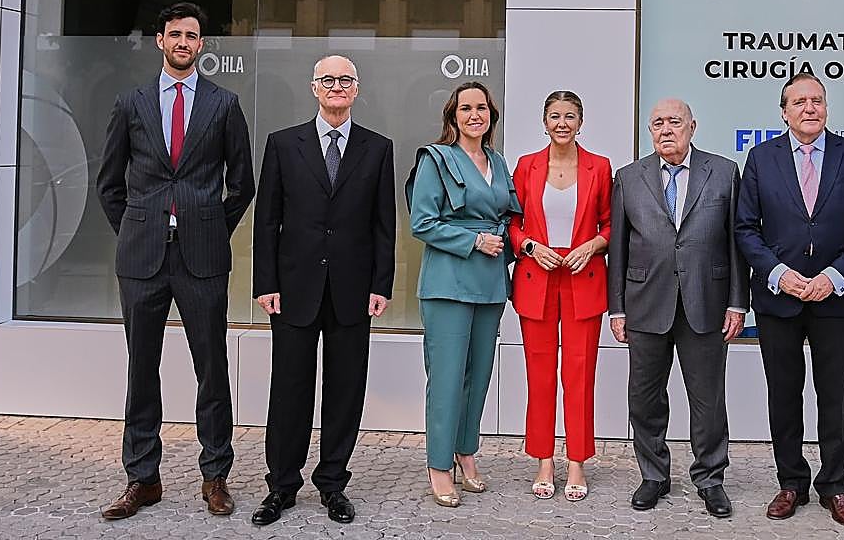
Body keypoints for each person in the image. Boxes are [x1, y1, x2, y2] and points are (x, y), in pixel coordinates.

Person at [96, 2, 255, 520]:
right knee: (142, 368)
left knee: (211, 367)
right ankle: (143, 479)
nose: (183, 42)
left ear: (201, 45)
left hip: (201, 256)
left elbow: (242, 183)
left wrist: (208, 226)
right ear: (160, 41)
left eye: (192, 36)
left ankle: (215, 477)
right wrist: (139, 228)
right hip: (141, 256)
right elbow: (109, 183)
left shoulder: (224, 104)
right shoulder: (131, 103)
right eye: (175, 35)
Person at [250, 55, 395, 526]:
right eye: (328, 80)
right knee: (289, 388)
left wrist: (381, 284)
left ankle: (333, 483)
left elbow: (383, 226)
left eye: (345, 80)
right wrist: (265, 283)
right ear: (314, 87)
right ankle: (281, 486)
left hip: (353, 290)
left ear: (356, 89)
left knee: (345, 389)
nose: (337, 87)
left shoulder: (377, 148)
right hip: (293, 288)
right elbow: (267, 220)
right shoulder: (282, 144)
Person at [735, 73, 844, 528]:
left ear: (827, 108)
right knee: (783, 393)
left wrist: (833, 277)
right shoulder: (761, 159)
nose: (809, 108)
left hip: (834, 299)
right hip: (779, 298)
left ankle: (835, 486)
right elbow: (745, 228)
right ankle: (791, 482)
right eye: (799, 101)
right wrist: (780, 275)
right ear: (784, 112)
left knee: (834, 396)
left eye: (817, 100)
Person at [607, 98, 747, 518]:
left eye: (675, 122)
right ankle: (654, 475)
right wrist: (616, 308)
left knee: (708, 399)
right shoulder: (628, 177)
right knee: (645, 397)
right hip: (645, 304)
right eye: (658, 123)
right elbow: (617, 247)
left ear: (692, 126)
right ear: (650, 131)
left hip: (706, 302)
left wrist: (738, 302)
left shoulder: (723, 172)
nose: (666, 129)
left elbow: (736, 242)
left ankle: (710, 478)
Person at [406, 81, 520, 508]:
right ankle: (439, 464)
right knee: (448, 377)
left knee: (479, 376)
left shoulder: (498, 161)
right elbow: (423, 222)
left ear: (491, 114)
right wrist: (472, 241)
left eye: (483, 108)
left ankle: (465, 451)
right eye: (466, 108)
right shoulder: (435, 159)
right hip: (448, 283)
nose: (476, 115)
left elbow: (508, 217)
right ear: (452, 116)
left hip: (490, 284)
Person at [508, 91, 611, 501]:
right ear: (544, 121)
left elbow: (611, 223)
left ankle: (578, 463)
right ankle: (544, 460)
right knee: (540, 373)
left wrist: (595, 245)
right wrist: (531, 246)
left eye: (570, 116)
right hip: (538, 277)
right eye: (555, 116)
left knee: (580, 374)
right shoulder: (526, 166)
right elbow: (512, 224)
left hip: (583, 276)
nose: (562, 123)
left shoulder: (599, 167)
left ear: (581, 122)